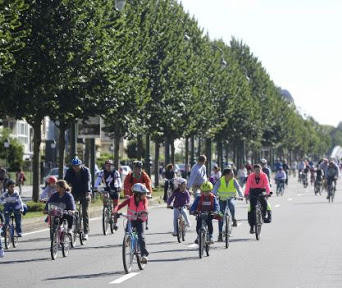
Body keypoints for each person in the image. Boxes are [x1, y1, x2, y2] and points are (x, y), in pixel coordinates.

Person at [114, 183, 150, 264]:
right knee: (128, 232)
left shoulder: (144, 200)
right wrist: (115, 211)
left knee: (141, 237)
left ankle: (144, 255)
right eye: (144, 193)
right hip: (131, 220)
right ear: (137, 194)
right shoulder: (130, 200)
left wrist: (144, 212)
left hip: (140, 220)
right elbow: (120, 205)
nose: (145, 195)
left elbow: (146, 207)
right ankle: (129, 241)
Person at [64, 156, 91, 240]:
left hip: (84, 192)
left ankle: (86, 232)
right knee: (70, 210)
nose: (76, 168)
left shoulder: (86, 171)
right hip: (74, 192)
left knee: (84, 212)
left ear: (81, 165)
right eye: (74, 166)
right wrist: (65, 191)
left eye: (77, 166)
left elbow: (87, 182)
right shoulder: (69, 171)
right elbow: (66, 182)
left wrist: (87, 193)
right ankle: (71, 227)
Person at [213, 168, 243, 242]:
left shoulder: (234, 180)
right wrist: (213, 195)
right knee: (220, 217)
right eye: (231, 174)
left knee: (231, 205)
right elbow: (215, 189)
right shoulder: (220, 180)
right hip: (221, 199)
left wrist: (241, 195)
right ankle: (220, 234)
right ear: (226, 175)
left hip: (230, 198)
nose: (233, 175)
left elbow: (238, 188)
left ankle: (233, 218)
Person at [95, 160, 122, 230]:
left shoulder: (115, 172)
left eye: (110, 165)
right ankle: (106, 209)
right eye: (107, 165)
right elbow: (98, 180)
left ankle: (115, 223)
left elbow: (119, 181)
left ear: (112, 166)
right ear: (105, 166)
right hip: (106, 188)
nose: (108, 167)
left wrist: (119, 187)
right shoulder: (102, 172)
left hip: (114, 189)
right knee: (105, 197)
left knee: (115, 207)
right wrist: (95, 187)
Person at [244, 164, 271, 234]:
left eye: (259, 170)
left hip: (262, 190)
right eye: (256, 170)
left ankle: (263, 216)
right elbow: (247, 186)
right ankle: (252, 227)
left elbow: (267, 184)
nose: (257, 172)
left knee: (264, 202)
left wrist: (268, 192)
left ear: (261, 170)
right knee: (251, 210)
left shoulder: (264, 175)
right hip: (253, 191)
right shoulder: (250, 176)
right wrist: (246, 194)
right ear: (253, 170)